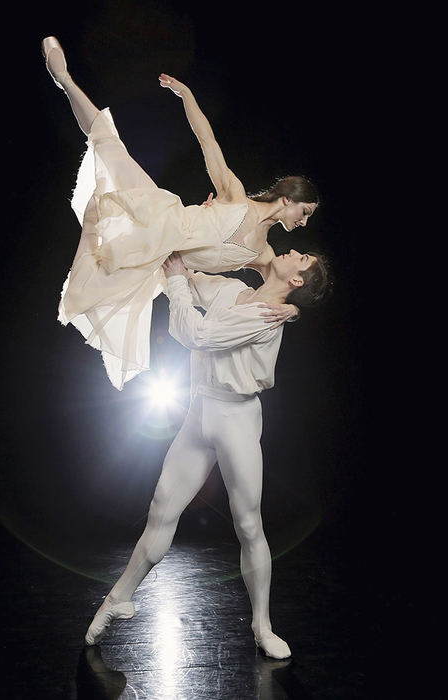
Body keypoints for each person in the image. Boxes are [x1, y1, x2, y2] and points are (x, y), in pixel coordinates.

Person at [83, 245, 331, 659]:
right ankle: (117, 599)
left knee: (249, 525)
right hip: (199, 410)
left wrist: (180, 279)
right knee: (161, 508)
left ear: (296, 282)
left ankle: (262, 626)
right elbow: (184, 278)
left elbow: (195, 334)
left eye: (302, 258)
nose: (293, 251)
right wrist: (174, 251)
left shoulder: (267, 316)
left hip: (236, 418)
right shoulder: (233, 290)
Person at [42, 36, 320, 389]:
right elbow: (208, 140)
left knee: (87, 293)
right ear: (289, 198)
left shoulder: (263, 255)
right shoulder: (236, 196)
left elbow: (280, 292)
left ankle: (92, 229)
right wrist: (186, 94)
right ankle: (64, 78)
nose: (304, 221)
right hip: (161, 215)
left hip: (159, 262)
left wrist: (294, 312)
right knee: (112, 145)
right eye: (305, 211)